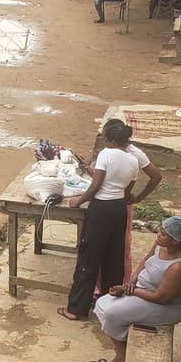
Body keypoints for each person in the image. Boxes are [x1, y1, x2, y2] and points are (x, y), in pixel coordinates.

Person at [57, 119, 139, 321]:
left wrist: (78, 200)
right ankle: (108, 305)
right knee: (113, 257)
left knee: (89, 257)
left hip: (100, 209)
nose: (103, 141)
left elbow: (95, 187)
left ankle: (76, 309)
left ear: (111, 139)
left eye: (104, 137)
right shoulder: (133, 160)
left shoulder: (106, 154)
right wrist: (91, 171)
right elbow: (125, 189)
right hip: (119, 209)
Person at [92, 216, 181, 362]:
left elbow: (160, 298)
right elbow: (144, 261)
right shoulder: (161, 245)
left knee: (111, 314)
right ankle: (122, 351)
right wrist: (130, 283)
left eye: (163, 233)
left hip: (166, 306)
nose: (158, 235)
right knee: (102, 303)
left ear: (175, 241)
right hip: (143, 292)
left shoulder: (179, 267)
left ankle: (120, 355)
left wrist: (131, 291)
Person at [102, 118, 162, 282]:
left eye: (105, 138)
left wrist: (139, 197)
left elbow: (156, 176)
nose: (104, 142)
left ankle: (122, 282)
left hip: (121, 204)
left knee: (121, 246)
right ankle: (100, 286)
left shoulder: (134, 154)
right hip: (109, 201)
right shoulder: (112, 151)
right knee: (103, 244)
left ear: (115, 139)